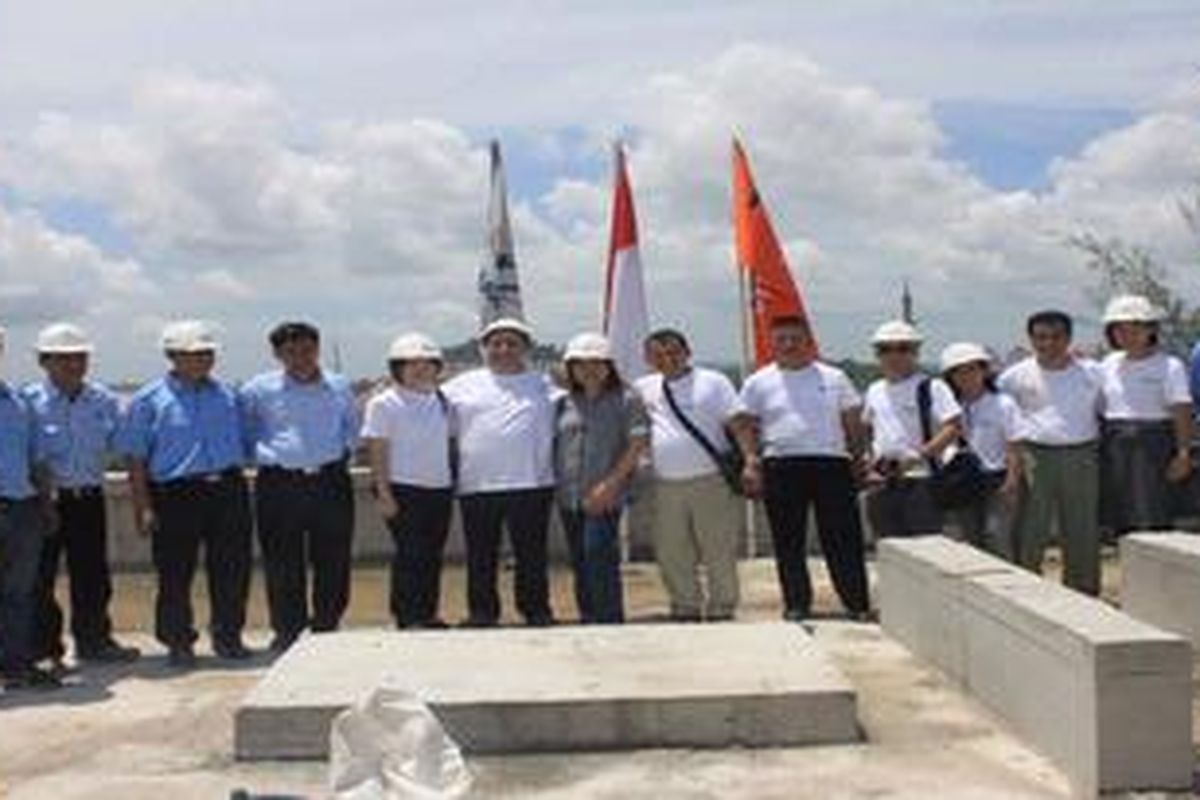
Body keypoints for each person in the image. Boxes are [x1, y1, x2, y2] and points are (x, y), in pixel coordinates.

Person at [116, 320, 253, 667]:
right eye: (193, 354)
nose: (203, 359)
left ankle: (228, 636)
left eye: (207, 353)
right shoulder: (149, 400)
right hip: (176, 493)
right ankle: (178, 640)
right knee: (175, 572)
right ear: (172, 356)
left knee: (233, 567)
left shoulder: (228, 396)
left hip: (227, 488)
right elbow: (135, 457)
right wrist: (143, 505)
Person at [739, 316, 871, 622]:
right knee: (788, 540)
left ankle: (856, 603)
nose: (789, 345)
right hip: (781, 464)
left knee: (843, 538)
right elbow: (746, 425)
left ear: (808, 341)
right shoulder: (758, 382)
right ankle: (797, 604)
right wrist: (751, 461)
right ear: (772, 343)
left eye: (795, 338)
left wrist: (858, 459)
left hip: (831, 464)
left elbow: (853, 421)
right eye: (781, 339)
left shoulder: (835, 377)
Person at [25, 323, 140, 668]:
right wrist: (43, 500)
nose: (74, 364)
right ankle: (45, 648)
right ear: (44, 361)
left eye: (80, 357)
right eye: (63, 358)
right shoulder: (28, 402)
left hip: (87, 498)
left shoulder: (102, 400)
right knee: (39, 578)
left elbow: (124, 445)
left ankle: (94, 641)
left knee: (92, 575)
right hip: (42, 500)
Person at [241, 322, 359, 653]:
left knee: (334, 557)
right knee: (281, 560)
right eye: (290, 352)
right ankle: (288, 629)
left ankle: (327, 624)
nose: (301, 358)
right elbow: (246, 431)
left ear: (317, 349)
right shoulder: (258, 389)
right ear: (277, 354)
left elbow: (351, 427)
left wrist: (340, 453)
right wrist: (271, 456)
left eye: (307, 350)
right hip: (280, 483)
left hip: (330, 481)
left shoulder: (338, 385)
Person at [634, 328, 756, 622]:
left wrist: (751, 460)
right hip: (665, 484)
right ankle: (684, 605)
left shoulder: (714, 382)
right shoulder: (643, 387)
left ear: (687, 352)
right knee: (671, 551)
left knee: (718, 548)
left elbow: (739, 423)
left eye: (673, 352)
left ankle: (722, 607)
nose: (667, 359)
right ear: (648, 359)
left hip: (710, 480)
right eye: (658, 354)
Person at [442, 318, 558, 627]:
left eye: (512, 344)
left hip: (532, 482)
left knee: (532, 555)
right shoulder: (460, 385)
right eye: (496, 344)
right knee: (480, 556)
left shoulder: (544, 383)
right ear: (484, 349)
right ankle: (482, 612)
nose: (504, 350)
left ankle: (536, 610)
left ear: (526, 349)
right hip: (477, 484)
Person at [998, 310, 1103, 595]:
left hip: (1081, 453)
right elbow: (1000, 415)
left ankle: (1083, 591)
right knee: (1031, 526)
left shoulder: (1093, 372)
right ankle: (1026, 590)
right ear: (1031, 339)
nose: (1049, 343)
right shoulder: (1014, 376)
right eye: (1041, 337)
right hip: (1034, 455)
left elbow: (1105, 408)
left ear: (1068, 338)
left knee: (1081, 526)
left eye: (1057, 337)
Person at [361, 333, 455, 629]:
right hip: (402, 488)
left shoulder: (441, 400)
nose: (420, 370)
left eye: (427, 364)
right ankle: (407, 614)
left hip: (439, 488)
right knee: (410, 553)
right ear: (397, 368)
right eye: (411, 364)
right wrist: (384, 493)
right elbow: (377, 448)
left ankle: (428, 613)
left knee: (432, 553)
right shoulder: (384, 403)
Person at [554, 333, 649, 624]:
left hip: (607, 493)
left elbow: (637, 444)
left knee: (598, 555)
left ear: (609, 366)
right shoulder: (563, 402)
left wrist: (611, 485)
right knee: (580, 560)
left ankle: (609, 618)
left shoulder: (627, 399)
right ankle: (589, 616)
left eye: (596, 363)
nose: (588, 370)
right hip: (569, 495)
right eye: (580, 364)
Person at [1097, 295, 1192, 534]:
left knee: (1151, 509)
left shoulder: (1169, 366)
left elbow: (1181, 411)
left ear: (1151, 330)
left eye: (1135, 328)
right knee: (1118, 511)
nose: (1127, 336)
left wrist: (1183, 454)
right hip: (1114, 442)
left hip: (1152, 443)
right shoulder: (1108, 364)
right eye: (1120, 330)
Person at [0, 325, 61, 690]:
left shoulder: (19, 403)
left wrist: (46, 505)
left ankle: (16, 665)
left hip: (22, 508)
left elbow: (37, 460)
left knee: (20, 593)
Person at [862, 320, 962, 538]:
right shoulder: (874, 389)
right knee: (888, 544)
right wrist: (870, 462)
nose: (894, 356)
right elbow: (868, 428)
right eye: (885, 349)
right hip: (883, 481)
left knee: (925, 545)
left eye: (902, 348)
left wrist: (918, 457)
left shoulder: (931, 387)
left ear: (915, 352)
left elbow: (953, 426)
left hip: (922, 479)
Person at [938, 342, 1022, 560]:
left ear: (984, 370)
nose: (966, 376)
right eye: (958, 371)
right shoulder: (947, 407)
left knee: (998, 536)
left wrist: (1012, 480)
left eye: (972, 369)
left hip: (996, 477)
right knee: (969, 539)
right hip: (962, 480)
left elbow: (1014, 444)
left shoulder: (1003, 404)